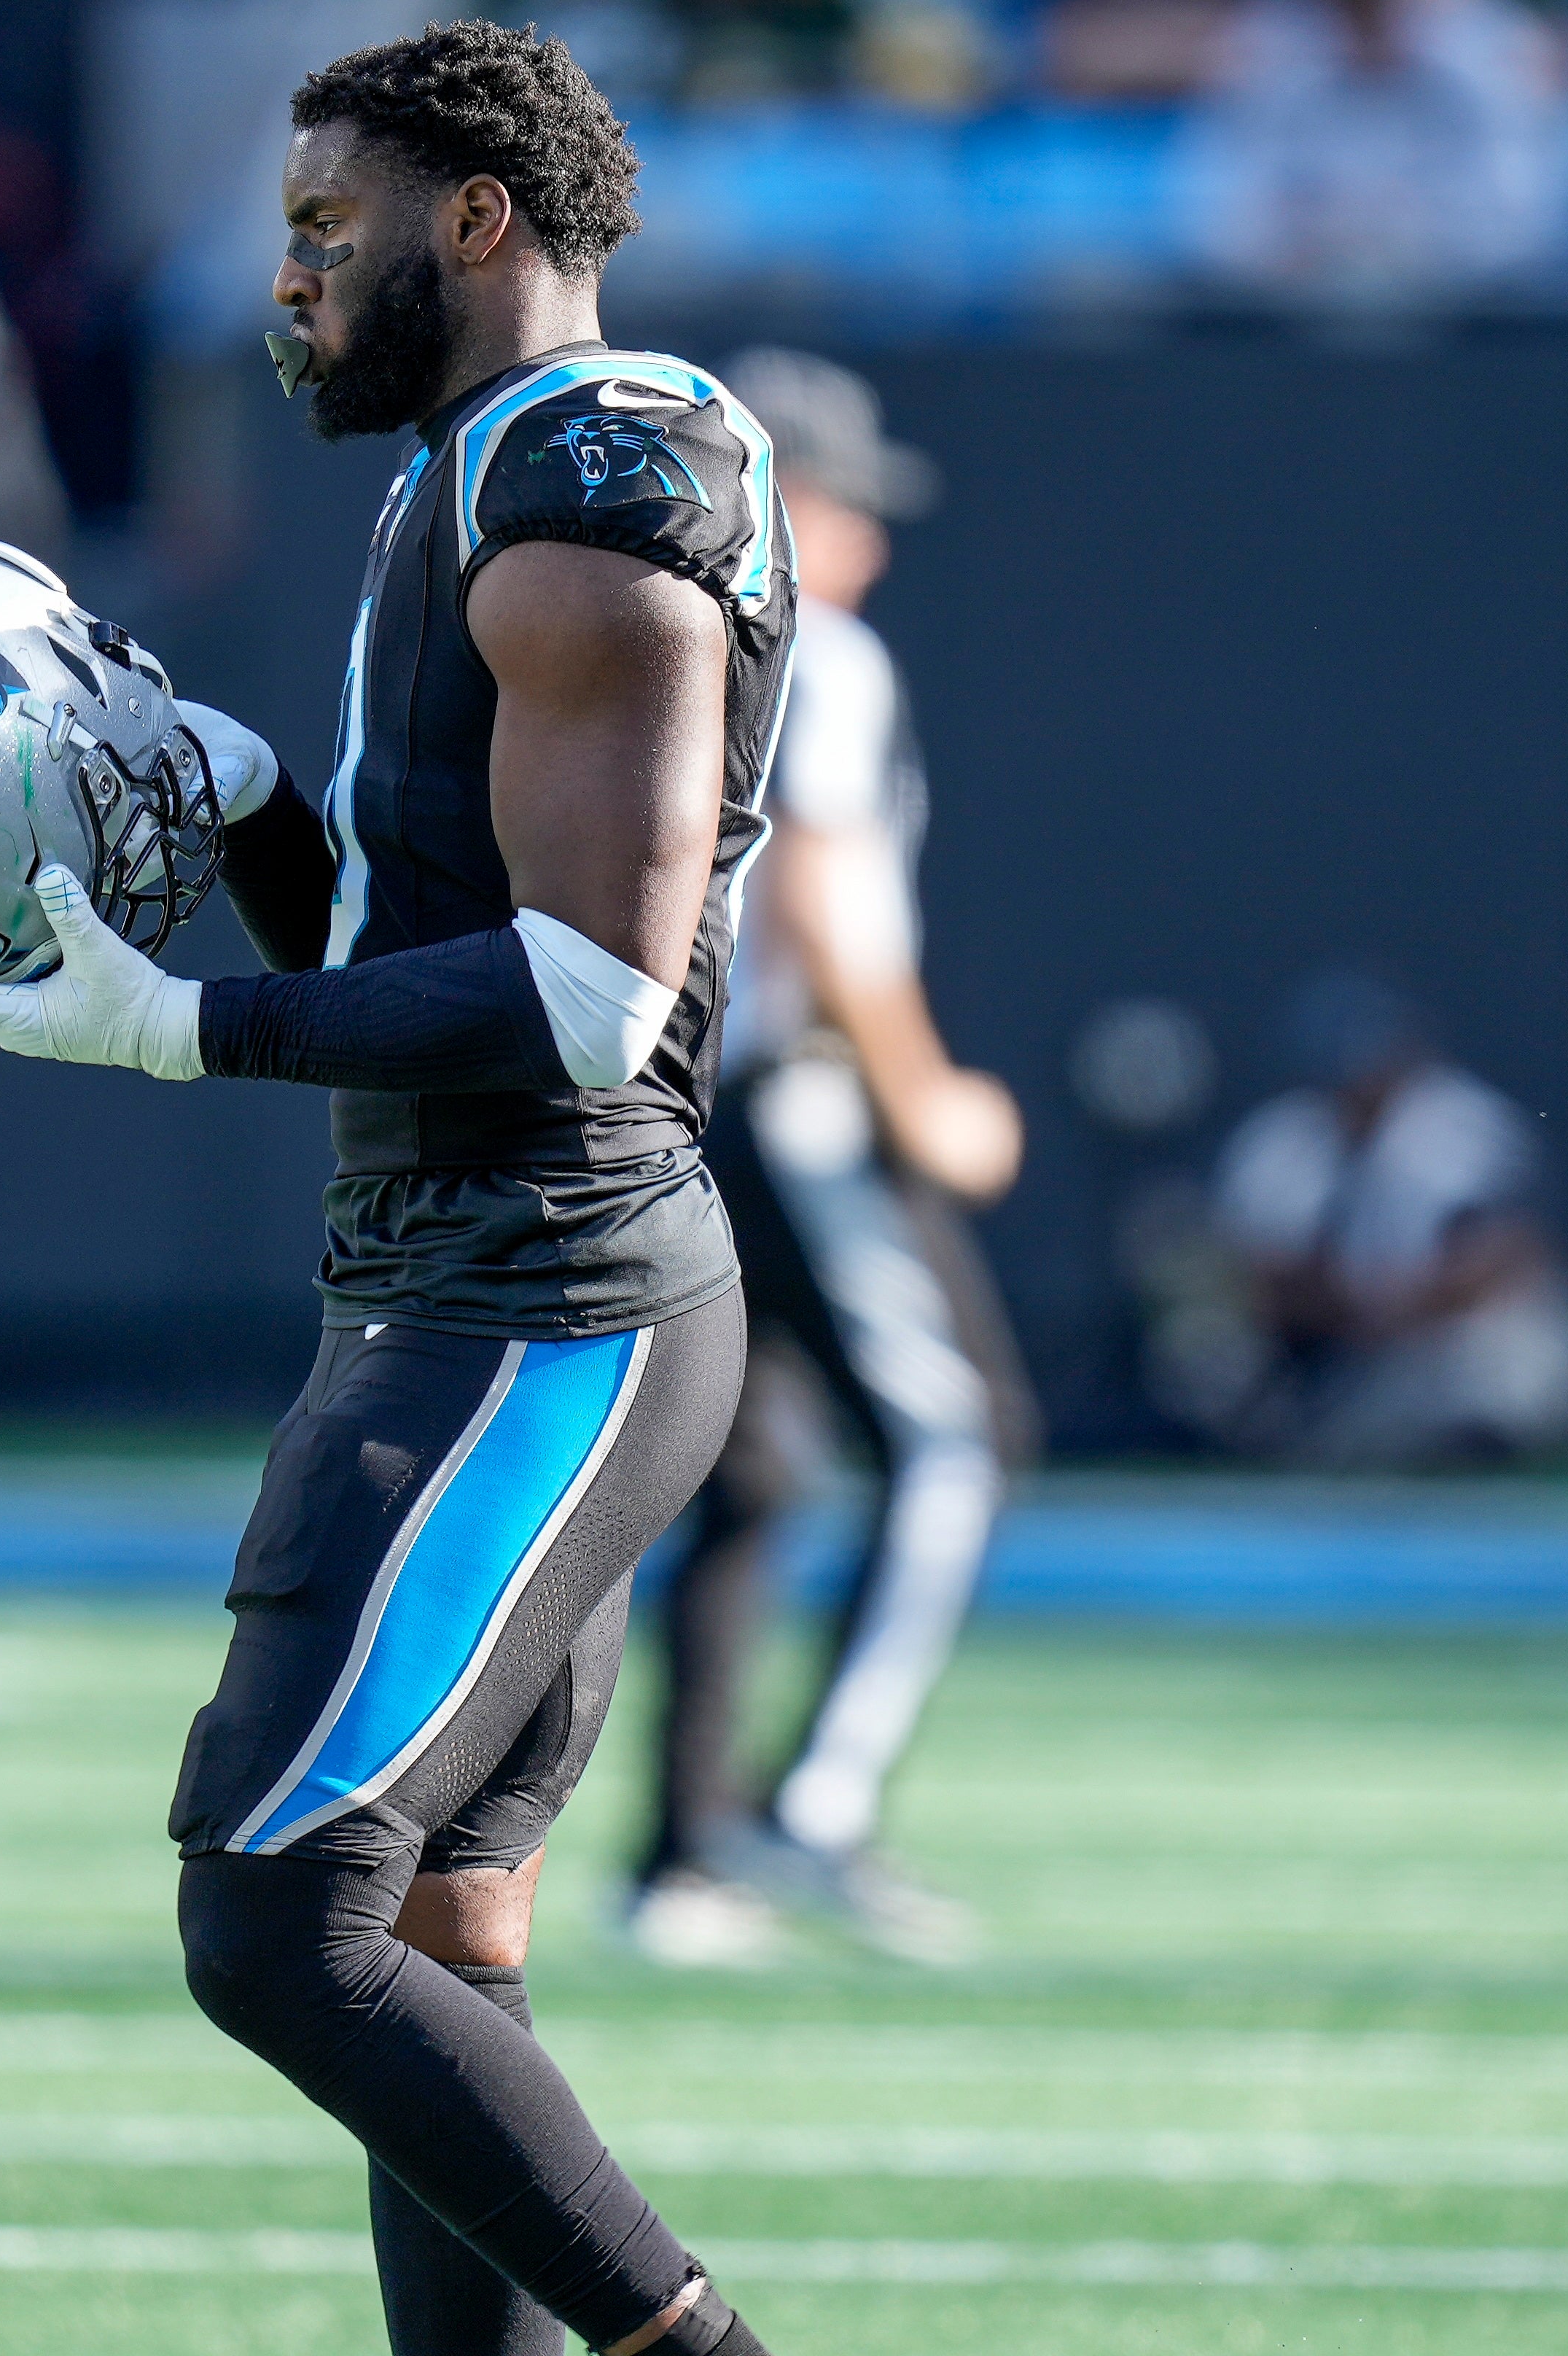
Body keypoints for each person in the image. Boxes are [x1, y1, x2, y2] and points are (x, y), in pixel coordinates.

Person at [0, 19, 789, 2356]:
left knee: (279, 1911)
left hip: (550, 1295)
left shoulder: (594, 468)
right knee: (447, 1936)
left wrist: (176, 1026)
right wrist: (252, 792)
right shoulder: (469, 467)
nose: (283, 281)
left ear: (474, 220)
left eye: (317, 229)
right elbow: (409, 927)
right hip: (454, 1273)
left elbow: (588, 994)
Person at [625, 346, 1035, 1972]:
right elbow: (826, 897)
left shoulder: (632, 635)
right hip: (791, 1097)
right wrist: (922, 1092)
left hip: (663, 1101)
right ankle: (813, 1812)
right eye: (846, 496)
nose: (867, 532)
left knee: (745, 1472)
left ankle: (681, 1856)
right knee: (958, 1441)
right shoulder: (818, 651)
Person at [1210, 970, 1568, 1469]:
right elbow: (1253, 1275)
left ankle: (1490, 1449)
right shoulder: (1282, 1139)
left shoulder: (1463, 1122)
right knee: (1211, 1338)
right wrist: (1352, 1301)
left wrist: (1406, 1299)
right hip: (1353, 1350)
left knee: (1510, 1354)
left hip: (1454, 1335)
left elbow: (1511, 1252)